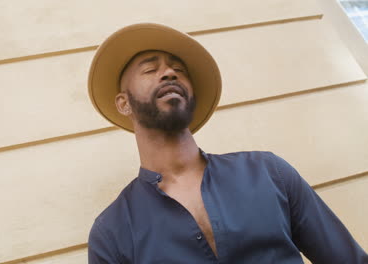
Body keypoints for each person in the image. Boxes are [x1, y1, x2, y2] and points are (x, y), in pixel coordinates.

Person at [86, 23, 367, 263]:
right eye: (150, 69)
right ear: (124, 104)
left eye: (179, 70)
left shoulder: (269, 172)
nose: (169, 73)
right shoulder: (111, 232)